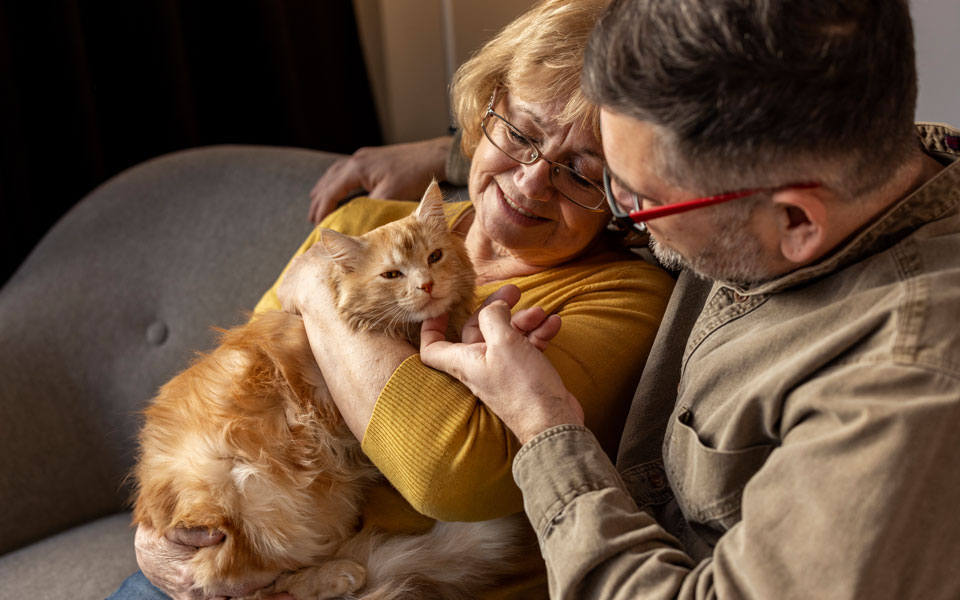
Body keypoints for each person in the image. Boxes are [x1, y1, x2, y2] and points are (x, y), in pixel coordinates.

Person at [112, 1, 676, 598]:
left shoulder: (626, 297)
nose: (531, 180)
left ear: (623, 192)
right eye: (520, 135)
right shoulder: (360, 223)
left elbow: (448, 476)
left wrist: (317, 296)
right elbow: (235, 397)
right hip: (235, 556)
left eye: (581, 173)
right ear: (485, 112)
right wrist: (161, 528)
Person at [419, 0, 960, 598]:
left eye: (637, 198)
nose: (624, 217)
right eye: (603, 176)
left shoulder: (904, 388)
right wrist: (446, 152)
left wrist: (543, 423)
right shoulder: (829, 158)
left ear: (796, 223)